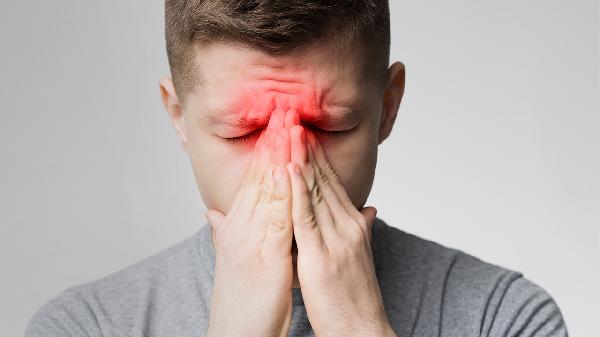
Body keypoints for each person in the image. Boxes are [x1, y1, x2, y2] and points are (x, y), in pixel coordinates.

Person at [24, 1, 569, 336]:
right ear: (179, 119)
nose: (288, 168)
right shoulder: (82, 327)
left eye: (330, 127)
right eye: (241, 131)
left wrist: (361, 331)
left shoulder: (503, 318)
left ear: (388, 107)